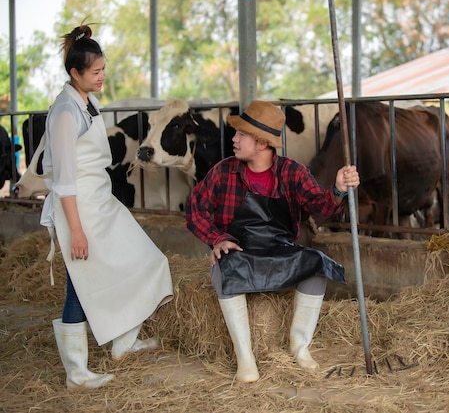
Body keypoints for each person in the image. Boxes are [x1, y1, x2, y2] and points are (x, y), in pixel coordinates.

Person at [186, 100, 360, 382]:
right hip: (239, 251)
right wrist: (217, 239)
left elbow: (322, 206)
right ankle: (245, 358)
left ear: (262, 144)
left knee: (317, 264)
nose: (234, 139)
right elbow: (194, 210)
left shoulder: (293, 172)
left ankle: (299, 347)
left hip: (280, 251)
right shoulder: (223, 171)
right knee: (224, 265)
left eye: (241, 135)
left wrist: (339, 189)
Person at [39, 24, 174, 390]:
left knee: (146, 259)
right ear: (75, 73)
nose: (101, 77)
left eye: (103, 70)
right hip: (78, 208)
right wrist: (77, 231)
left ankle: (124, 343)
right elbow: (65, 178)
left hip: (100, 200)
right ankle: (77, 373)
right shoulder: (65, 113)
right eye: (95, 72)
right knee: (80, 285)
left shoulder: (88, 103)